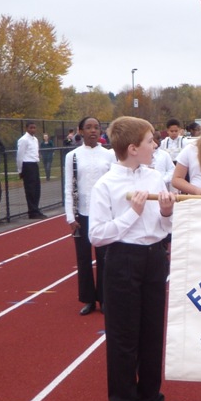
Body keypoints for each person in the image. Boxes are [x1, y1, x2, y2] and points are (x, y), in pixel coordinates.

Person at [88, 116, 177, 401]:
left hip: (154, 258)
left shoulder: (154, 178)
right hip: (123, 260)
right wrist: (132, 214)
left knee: (152, 332)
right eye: (151, 141)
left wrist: (166, 213)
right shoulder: (106, 185)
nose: (156, 145)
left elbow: (162, 226)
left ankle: (150, 396)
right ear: (132, 148)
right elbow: (97, 235)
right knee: (125, 337)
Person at [64, 116, 115, 315]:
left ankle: (104, 299)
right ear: (80, 131)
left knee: (104, 258)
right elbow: (69, 187)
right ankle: (88, 300)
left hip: (103, 213)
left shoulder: (109, 155)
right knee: (84, 258)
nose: (93, 131)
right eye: (88, 127)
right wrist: (70, 217)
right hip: (82, 213)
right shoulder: (73, 156)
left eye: (96, 127)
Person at [17, 121, 46, 219]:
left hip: (34, 164)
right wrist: (20, 170)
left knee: (37, 188)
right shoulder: (23, 140)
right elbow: (20, 155)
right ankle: (32, 211)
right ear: (27, 128)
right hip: (27, 164)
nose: (33, 129)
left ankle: (36, 209)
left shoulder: (35, 139)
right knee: (30, 189)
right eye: (31, 128)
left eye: (34, 128)